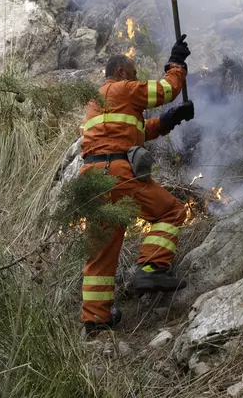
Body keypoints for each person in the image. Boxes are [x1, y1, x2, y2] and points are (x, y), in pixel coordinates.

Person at [79, 35, 195, 337]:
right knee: (169, 211)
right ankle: (152, 267)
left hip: (92, 180)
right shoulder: (123, 89)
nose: (135, 80)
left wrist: (168, 120)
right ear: (120, 74)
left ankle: (95, 319)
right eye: (133, 75)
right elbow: (168, 89)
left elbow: (133, 132)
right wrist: (176, 62)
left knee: (101, 251)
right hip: (117, 173)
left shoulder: (97, 102)